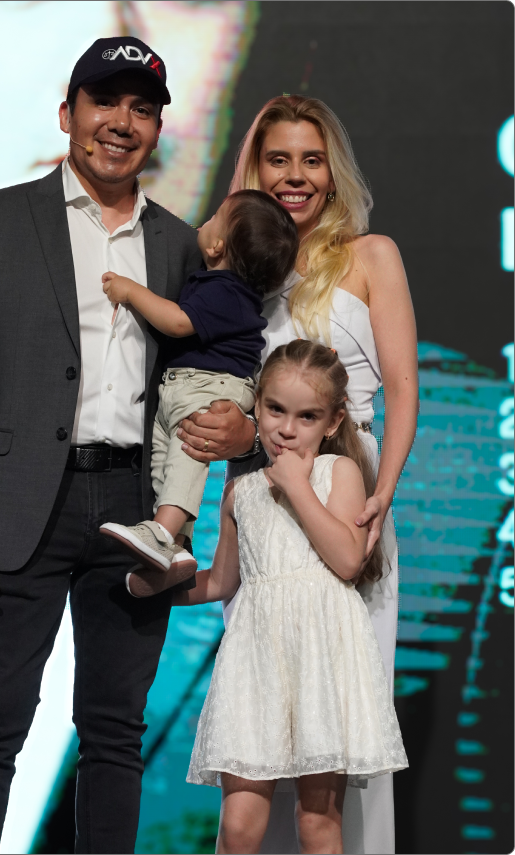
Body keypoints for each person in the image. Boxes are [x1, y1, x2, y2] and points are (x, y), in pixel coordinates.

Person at [0, 4, 256, 850]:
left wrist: (236, 433)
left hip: (132, 506)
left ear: (156, 128)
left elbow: (204, 376)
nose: (120, 122)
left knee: (113, 733)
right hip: (14, 501)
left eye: (141, 107)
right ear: (70, 113)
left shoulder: (179, 247)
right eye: (103, 101)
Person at [177, 95, 418, 854]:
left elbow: (404, 387)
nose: (295, 176)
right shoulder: (238, 269)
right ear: (255, 166)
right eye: (277, 159)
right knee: (261, 734)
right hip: (262, 505)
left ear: (332, 170)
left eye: (311, 160)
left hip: (349, 496)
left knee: (344, 720)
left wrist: (383, 492)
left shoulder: (372, 255)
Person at [175, 340, 408, 855]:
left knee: (317, 823)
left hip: (321, 663)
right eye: (275, 409)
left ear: (333, 421)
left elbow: (347, 560)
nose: (286, 428)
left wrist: (298, 486)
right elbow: (222, 582)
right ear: (256, 405)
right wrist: (155, 592)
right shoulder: (240, 491)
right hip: (255, 664)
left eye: (307, 416)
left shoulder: (338, 472)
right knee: (238, 826)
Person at [99, 189, 299, 596]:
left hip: (209, 386)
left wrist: (130, 291)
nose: (202, 223)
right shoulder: (224, 285)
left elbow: (177, 322)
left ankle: (161, 532)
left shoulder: (226, 290)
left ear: (216, 246)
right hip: (187, 385)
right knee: (165, 461)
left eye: (214, 218)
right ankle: (176, 548)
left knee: (186, 457)